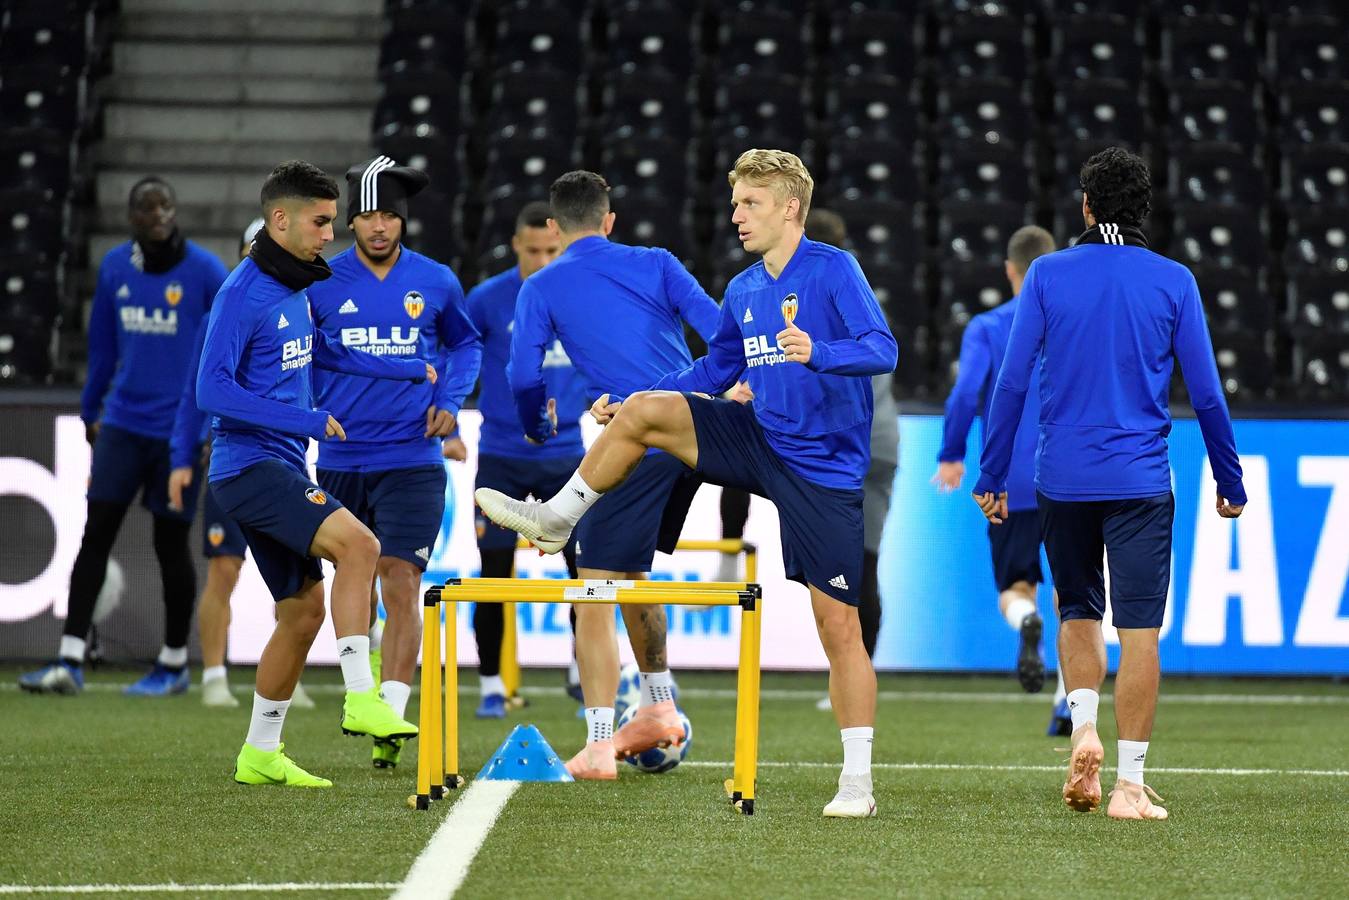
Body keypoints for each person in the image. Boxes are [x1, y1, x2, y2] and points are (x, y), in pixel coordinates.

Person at [478, 150, 898, 817]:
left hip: (822, 466)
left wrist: (821, 352)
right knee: (645, 412)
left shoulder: (832, 269)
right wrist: (640, 401)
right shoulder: (743, 289)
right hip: (757, 436)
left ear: (789, 207)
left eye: (750, 203)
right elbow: (712, 370)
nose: (736, 216)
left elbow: (883, 348)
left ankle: (856, 785)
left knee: (836, 624)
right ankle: (558, 517)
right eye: (735, 203)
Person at [974, 147, 1246, 821]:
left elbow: (1009, 382)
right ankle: (1128, 785)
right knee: (1141, 629)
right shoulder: (1173, 281)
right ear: (1144, 208)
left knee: (1075, 609)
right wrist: (1229, 479)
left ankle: (1083, 724)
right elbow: (1207, 396)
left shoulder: (1044, 274)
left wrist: (990, 474)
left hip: (1060, 479)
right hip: (1139, 480)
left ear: (1086, 206)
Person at [198, 160, 437, 788]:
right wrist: (300, 419)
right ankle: (361, 695)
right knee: (361, 545)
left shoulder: (294, 287)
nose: (330, 233)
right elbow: (210, 390)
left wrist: (405, 369)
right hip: (248, 466)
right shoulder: (242, 293)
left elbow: (328, 351)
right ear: (280, 219)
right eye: (321, 220)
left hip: (276, 462)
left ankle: (259, 752)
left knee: (302, 613)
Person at [499, 170, 720, 780]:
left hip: (641, 443)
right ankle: (659, 705)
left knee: (590, 585)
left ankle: (598, 743)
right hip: (697, 436)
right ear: (609, 220)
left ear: (553, 227)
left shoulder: (541, 286)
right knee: (628, 572)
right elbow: (723, 331)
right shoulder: (658, 261)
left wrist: (539, 427)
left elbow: (523, 378)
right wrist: (681, 392)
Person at [20, 178, 228, 696]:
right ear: (131, 216)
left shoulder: (205, 271)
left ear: (176, 212)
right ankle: (69, 660)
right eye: (145, 207)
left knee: (170, 544)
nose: (156, 214)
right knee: (96, 536)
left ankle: (174, 663)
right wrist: (92, 412)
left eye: (164, 205)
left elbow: (222, 354)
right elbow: (102, 351)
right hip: (122, 427)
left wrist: (202, 429)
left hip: (177, 434)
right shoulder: (115, 267)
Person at [307, 156, 482, 770]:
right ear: (351, 222)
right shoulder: (320, 283)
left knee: (402, 580)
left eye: (389, 216)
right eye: (367, 216)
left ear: (403, 221)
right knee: (352, 578)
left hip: (412, 458)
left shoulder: (435, 281)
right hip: (342, 459)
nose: (379, 227)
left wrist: (450, 400)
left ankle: (393, 708)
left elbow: (465, 344)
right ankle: (362, 689)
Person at [166, 218, 313, 710]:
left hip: (285, 460)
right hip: (238, 458)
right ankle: (213, 675)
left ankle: (289, 676)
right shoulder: (226, 309)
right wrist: (181, 457)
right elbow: (196, 391)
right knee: (224, 569)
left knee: (294, 579)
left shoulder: (295, 303)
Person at [934, 225, 1071, 734]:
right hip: (1068, 474)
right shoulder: (1070, 324)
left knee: (1016, 587)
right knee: (1074, 593)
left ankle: (1024, 622)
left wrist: (951, 455)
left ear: (1010, 271)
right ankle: (1067, 703)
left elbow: (965, 392)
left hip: (1008, 479)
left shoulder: (989, 327)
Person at [466, 200, 584, 719]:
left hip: (568, 456)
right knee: (494, 572)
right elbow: (460, 355)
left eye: (551, 251)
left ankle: (584, 676)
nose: (541, 260)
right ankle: (492, 683)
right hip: (502, 455)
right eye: (532, 250)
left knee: (587, 571)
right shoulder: (487, 299)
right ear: (515, 244)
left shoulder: (583, 298)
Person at [805, 208, 894, 688]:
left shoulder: (808, 290)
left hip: (839, 441)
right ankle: (863, 670)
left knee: (840, 568)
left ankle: (849, 673)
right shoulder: (859, 285)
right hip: (882, 439)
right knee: (867, 562)